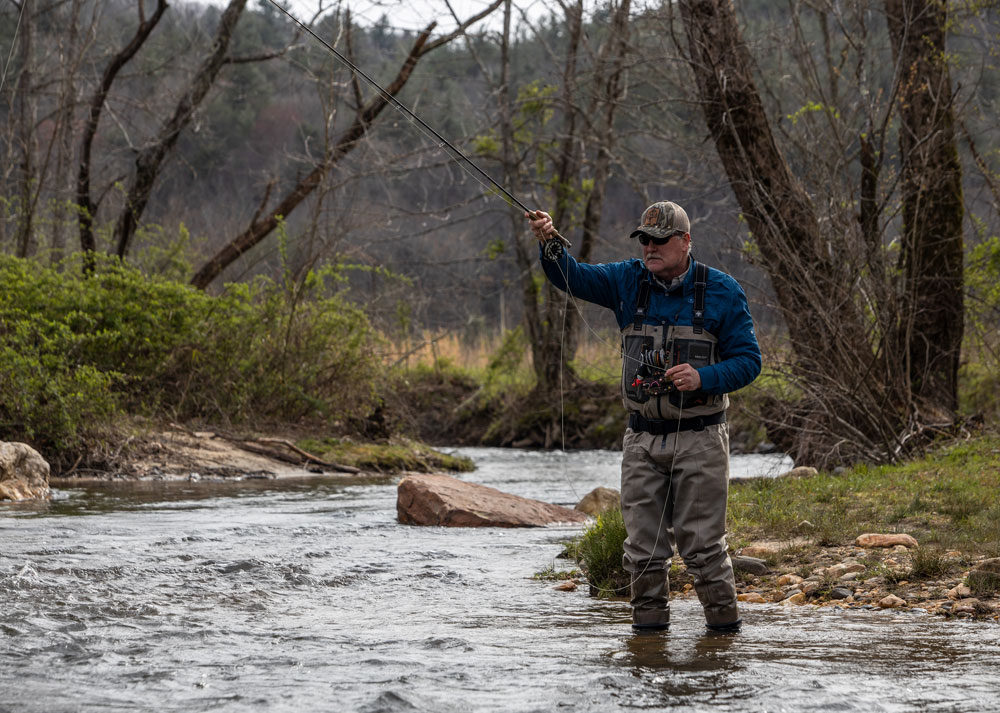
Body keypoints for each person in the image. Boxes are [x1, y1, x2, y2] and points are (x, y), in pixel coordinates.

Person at [526, 201, 761, 633]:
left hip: (701, 437)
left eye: (660, 240)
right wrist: (550, 243)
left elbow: (750, 361)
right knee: (643, 552)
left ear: (686, 242)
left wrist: (704, 376)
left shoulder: (722, 290)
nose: (650, 248)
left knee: (704, 550)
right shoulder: (627, 279)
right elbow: (571, 277)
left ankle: (725, 639)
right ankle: (647, 647)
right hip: (641, 441)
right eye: (645, 240)